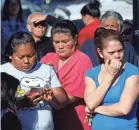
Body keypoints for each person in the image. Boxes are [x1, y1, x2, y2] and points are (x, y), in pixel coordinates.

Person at [1, 32, 68, 130]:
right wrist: (22, 101)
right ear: (11, 55)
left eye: (31, 55)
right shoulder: (2, 71)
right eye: (21, 57)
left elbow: (63, 99)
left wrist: (51, 98)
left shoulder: (46, 69)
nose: (27, 61)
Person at [41, 20, 92, 130]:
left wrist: (44, 95)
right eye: (56, 42)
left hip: (74, 119)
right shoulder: (48, 58)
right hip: (50, 119)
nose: (60, 46)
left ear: (75, 39)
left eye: (65, 41)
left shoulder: (82, 60)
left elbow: (68, 98)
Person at [84, 29, 139, 130]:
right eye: (111, 52)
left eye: (120, 50)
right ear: (100, 53)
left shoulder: (132, 72)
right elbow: (90, 103)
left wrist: (96, 109)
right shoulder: (92, 73)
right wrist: (110, 76)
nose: (117, 55)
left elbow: (124, 109)